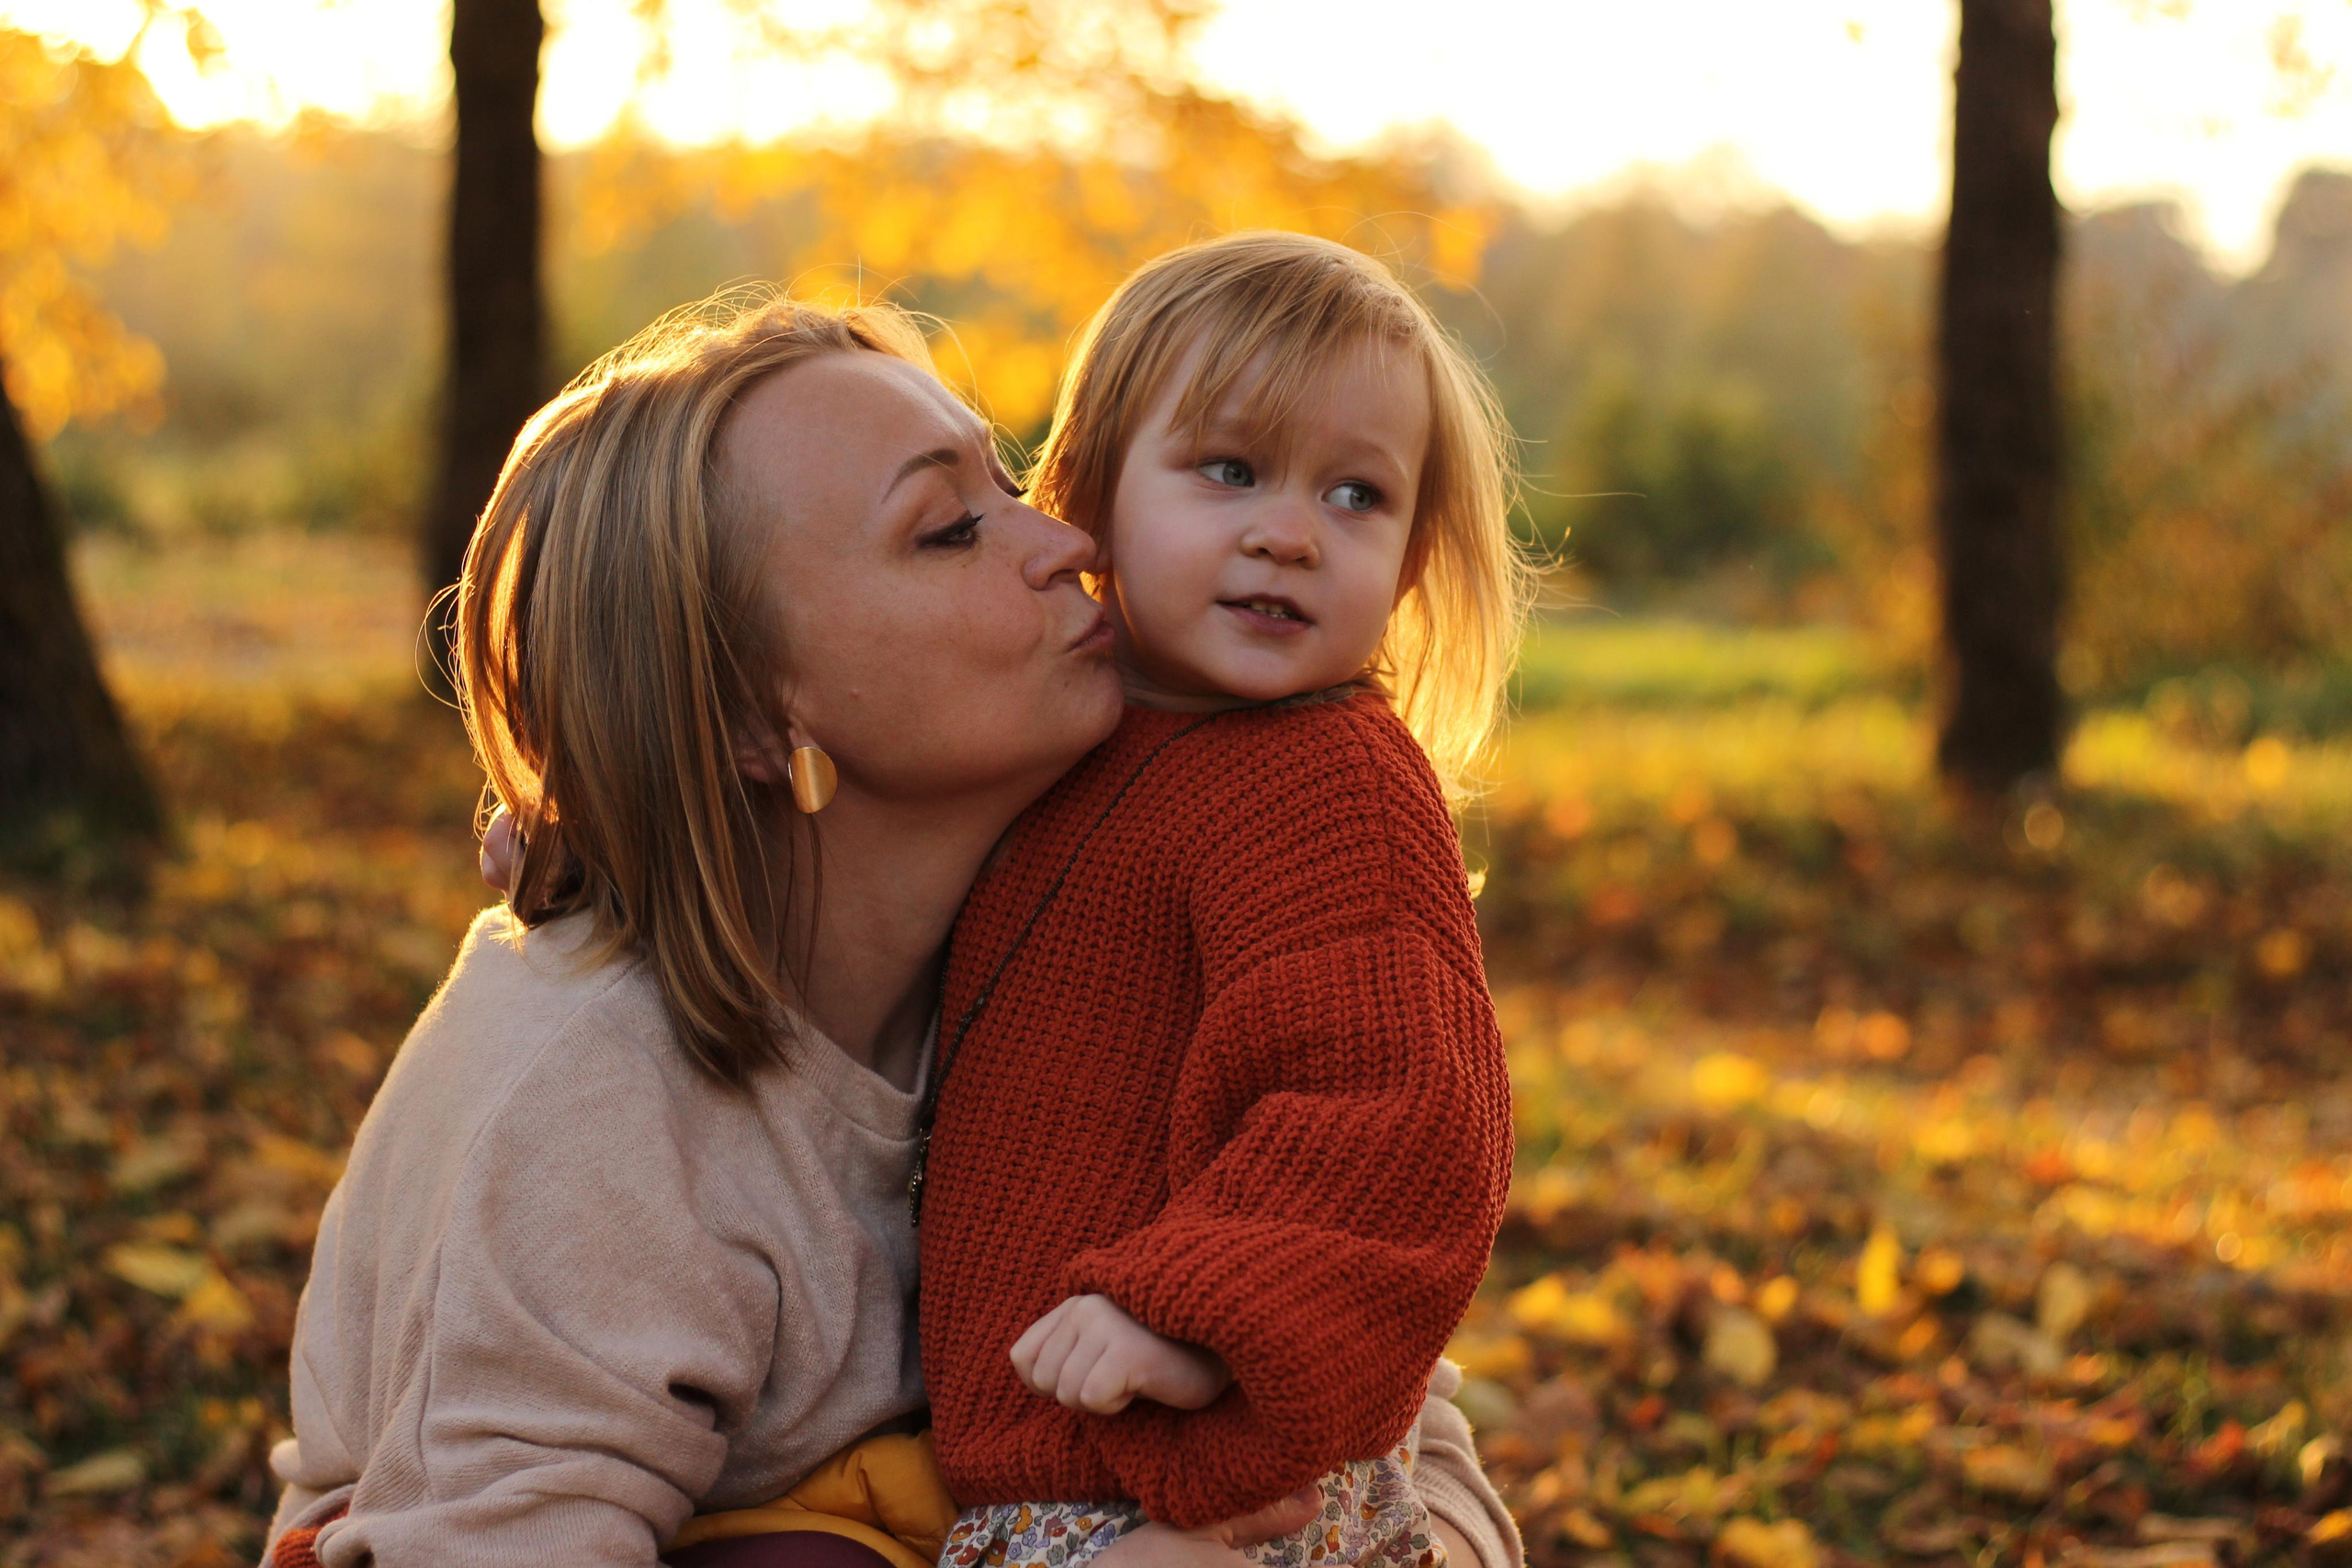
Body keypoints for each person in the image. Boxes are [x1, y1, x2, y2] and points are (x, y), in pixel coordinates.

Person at [261, 290, 1517, 1568]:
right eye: (950, 528)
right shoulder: (589, 1117)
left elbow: (1389, 1384)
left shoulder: (1074, 916)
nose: (1068, 538)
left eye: (1009, 482)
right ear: (752, 715)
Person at [920, 233, 1528, 1568]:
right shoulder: (1058, 734)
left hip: (1202, 1469)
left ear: (1409, 565)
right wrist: (612, 847)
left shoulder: (1328, 785)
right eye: (1231, 469)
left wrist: (1194, 1321)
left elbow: (1401, 1112)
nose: (1288, 533)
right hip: (1044, 1457)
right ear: (1090, 490)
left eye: (1357, 495)